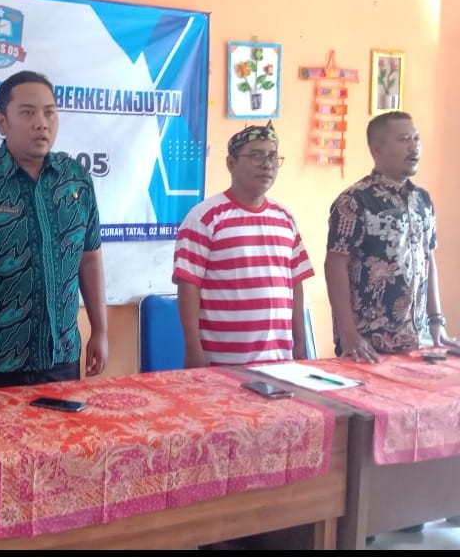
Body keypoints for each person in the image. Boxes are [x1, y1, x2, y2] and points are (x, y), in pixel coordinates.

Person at [324, 110, 460, 535]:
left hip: (414, 340)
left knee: (422, 420)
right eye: (403, 139)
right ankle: (366, 520)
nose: (414, 147)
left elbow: (429, 261)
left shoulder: (423, 200)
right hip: (368, 343)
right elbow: (334, 266)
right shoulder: (354, 201)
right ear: (376, 147)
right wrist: (348, 332)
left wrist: (437, 322)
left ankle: (412, 509)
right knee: (370, 434)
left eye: (416, 138)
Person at [0, 70, 108, 392]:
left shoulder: (76, 179)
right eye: (27, 113)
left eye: (49, 113)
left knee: (60, 428)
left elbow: (90, 257)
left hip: (61, 356)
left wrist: (100, 330)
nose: (42, 123)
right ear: (2, 122)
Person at [172, 121, 315, 367]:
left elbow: (295, 282)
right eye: (256, 156)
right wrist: (193, 349)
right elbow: (188, 286)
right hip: (223, 361)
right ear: (231, 163)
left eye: (272, 156)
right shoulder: (205, 217)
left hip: (279, 361)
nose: (267, 164)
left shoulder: (285, 217)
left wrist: (300, 342)